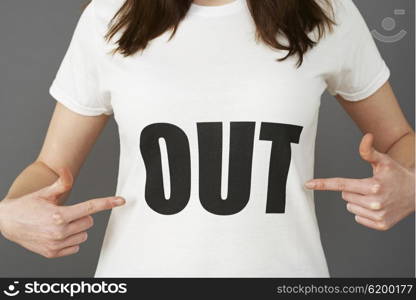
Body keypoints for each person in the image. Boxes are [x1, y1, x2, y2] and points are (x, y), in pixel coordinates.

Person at [0, 0, 414, 277]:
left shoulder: (325, 10)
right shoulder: (111, 14)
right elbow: (51, 168)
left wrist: (410, 184)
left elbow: (400, 140)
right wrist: (10, 213)